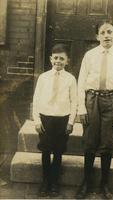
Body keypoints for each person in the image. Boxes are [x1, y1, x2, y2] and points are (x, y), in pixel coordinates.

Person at [76, 21, 113, 199]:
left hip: (111, 100)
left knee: (107, 142)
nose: (106, 35)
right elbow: (81, 82)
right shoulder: (89, 55)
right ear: (97, 36)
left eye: (109, 32)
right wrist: (82, 108)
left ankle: (104, 184)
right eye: (102, 32)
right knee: (90, 141)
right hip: (92, 99)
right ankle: (86, 182)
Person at [32, 43, 77, 197]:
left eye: (62, 58)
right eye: (56, 58)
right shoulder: (43, 78)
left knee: (58, 151)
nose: (58, 61)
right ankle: (45, 181)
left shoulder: (70, 79)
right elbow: (36, 99)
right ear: (51, 59)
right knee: (45, 150)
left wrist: (71, 122)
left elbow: (74, 102)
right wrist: (37, 120)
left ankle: (54, 182)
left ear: (67, 61)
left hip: (62, 119)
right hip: (45, 118)